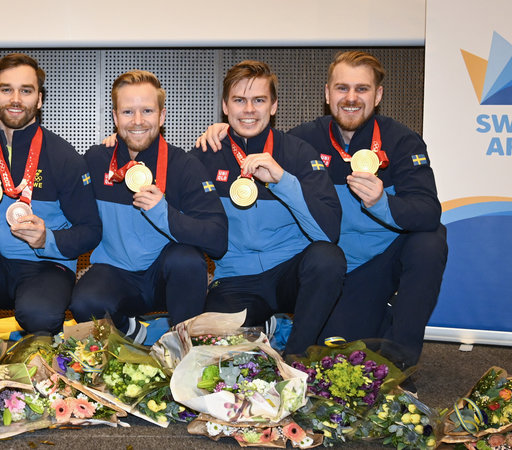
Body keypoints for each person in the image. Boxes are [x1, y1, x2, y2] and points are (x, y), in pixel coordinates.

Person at [198, 51, 447, 369]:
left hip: (384, 259)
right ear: (328, 94)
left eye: (362, 89)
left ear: (378, 94)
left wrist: (382, 203)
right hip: (338, 273)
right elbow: (259, 135)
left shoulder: (403, 143)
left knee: (431, 239)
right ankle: (356, 318)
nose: (351, 98)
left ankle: (402, 362)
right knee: (337, 354)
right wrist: (223, 131)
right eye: (342, 88)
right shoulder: (304, 141)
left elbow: (428, 212)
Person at [0, 53, 101, 336]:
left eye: (25, 91)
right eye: (6, 89)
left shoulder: (64, 157)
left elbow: (91, 231)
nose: (15, 99)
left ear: (39, 99)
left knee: (39, 315)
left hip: (45, 267)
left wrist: (48, 239)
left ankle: (42, 326)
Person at [191, 60, 345, 355]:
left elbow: (329, 231)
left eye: (259, 100)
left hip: (289, 273)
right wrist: (119, 145)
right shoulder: (206, 154)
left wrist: (282, 180)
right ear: (225, 106)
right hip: (236, 278)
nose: (249, 110)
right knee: (210, 348)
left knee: (328, 258)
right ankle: (270, 328)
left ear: (273, 106)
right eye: (239, 101)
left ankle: (297, 356)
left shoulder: (298, 153)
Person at [70, 70, 228, 343]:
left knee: (187, 260)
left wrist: (162, 211)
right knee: (84, 303)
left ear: (162, 116)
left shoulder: (184, 165)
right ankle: (134, 332)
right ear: (115, 117)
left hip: (165, 278)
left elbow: (217, 239)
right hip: (115, 273)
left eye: (147, 111)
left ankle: (183, 349)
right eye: (128, 112)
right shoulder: (96, 160)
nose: (138, 121)